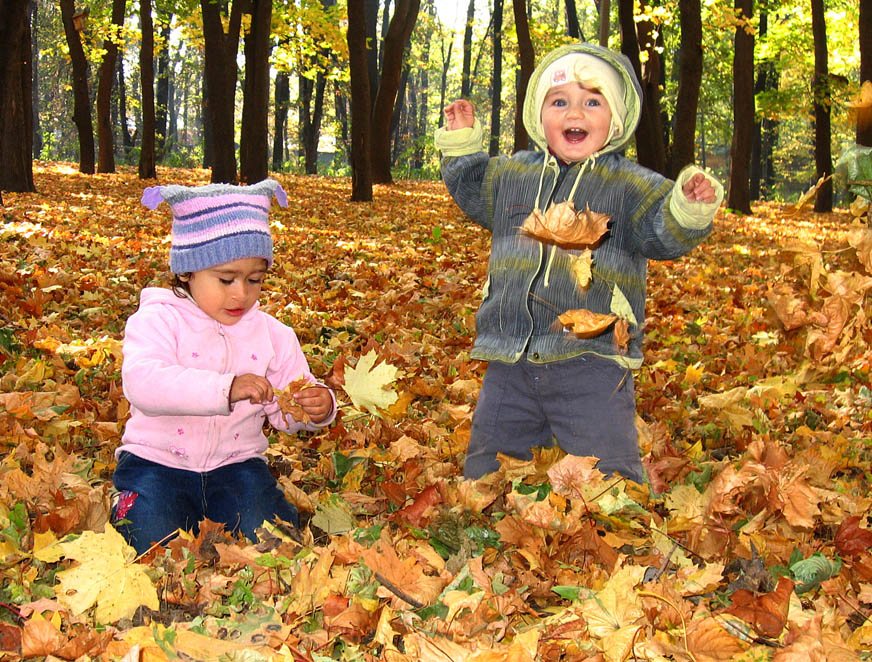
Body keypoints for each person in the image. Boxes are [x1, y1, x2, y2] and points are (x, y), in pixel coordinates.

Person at [435, 43, 723, 483]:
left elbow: (663, 234)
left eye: (592, 101)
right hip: (510, 357)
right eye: (559, 101)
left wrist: (687, 208)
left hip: (593, 362)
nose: (576, 112)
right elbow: (473, 189)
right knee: (485, 475)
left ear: (616, 118)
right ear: (539, 115)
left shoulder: (630, 186)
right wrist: (462, 144)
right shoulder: (514, 173)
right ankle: (491, 522)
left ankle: (619, 533)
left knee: (609, 480)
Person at [113, 178, 335, 553]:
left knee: (274, 538)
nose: (241, 294)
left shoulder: (273, 335)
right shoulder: (158, 320)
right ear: (187, 271)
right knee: (150, 543)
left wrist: (316, 406)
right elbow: (144, 382)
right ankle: (132, 506)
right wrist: (225, 387)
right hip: (156, 464)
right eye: (226, 279)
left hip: (236, 467)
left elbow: (288, 409)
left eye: (255, 280)